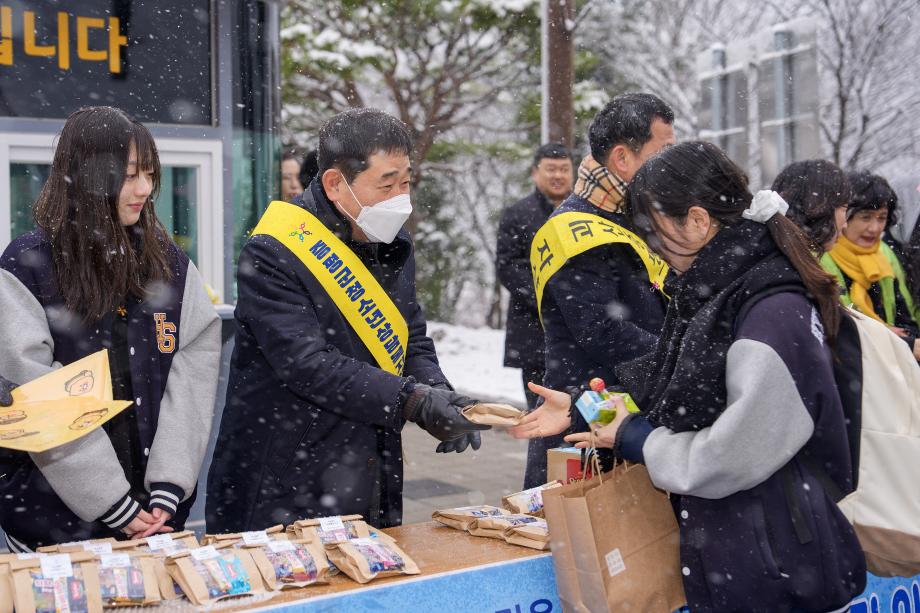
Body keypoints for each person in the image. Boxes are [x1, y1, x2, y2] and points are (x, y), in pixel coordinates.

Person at [512, 141, 866, 611]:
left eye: (656, 234)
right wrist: (584, 404)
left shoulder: (769, 308)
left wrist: (637, 438)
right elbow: (679, 386)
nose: (655, 249)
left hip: (777, 565)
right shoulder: (721, 287)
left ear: (698, 220)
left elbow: (727, 454)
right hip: (749, 550)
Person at [206, 108, 488, 532]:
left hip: (372, 464)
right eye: (387, 184)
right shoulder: (274, 252)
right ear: (337, 185)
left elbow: (408, 335)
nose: (400, 199)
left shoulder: (392, 242)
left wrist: (439, 394)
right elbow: (307, 364)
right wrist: (412, 401)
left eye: (406, 182)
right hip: (287, 475)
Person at [0, 106, 221, 551]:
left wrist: (169, 486)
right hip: (53, 525)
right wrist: (110, 502)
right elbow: (34, 394)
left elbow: (192, 371)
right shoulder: (27, 266)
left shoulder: (170, 263)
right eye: (129, 175)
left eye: (150, 174)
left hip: (158, 518)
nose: (144, 189)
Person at [521, 93, 674, 488]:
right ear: (623, 159)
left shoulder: (633, 215)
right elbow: (602, 330)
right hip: (586, 420)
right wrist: (678, 360)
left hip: (627, 409)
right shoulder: (575, 227)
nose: (673, 168)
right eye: (664, 154)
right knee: (581, 546)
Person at [496, 143, 573, 409]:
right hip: (533, 330)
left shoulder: (584, 212)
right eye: (551, 169)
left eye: (564, 169)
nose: (558, 175)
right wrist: (549, 298)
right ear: (535, 173)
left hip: (580, 329)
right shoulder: (518, 214)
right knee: (540, 411)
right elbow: (507, 267)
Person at [822, 170, 920, 359]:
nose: (874, 228)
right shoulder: (823, 256)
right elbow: (836, 329)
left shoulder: (885, 255)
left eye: (881, 218)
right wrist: (887, 335)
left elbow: (905, 318)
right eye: (865, 217)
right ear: (845, 217)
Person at [771, 159, 851, 254]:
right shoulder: (793, 264)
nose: (845, 225)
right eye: (844, 208)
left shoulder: (772, 256)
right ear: (819, 207)